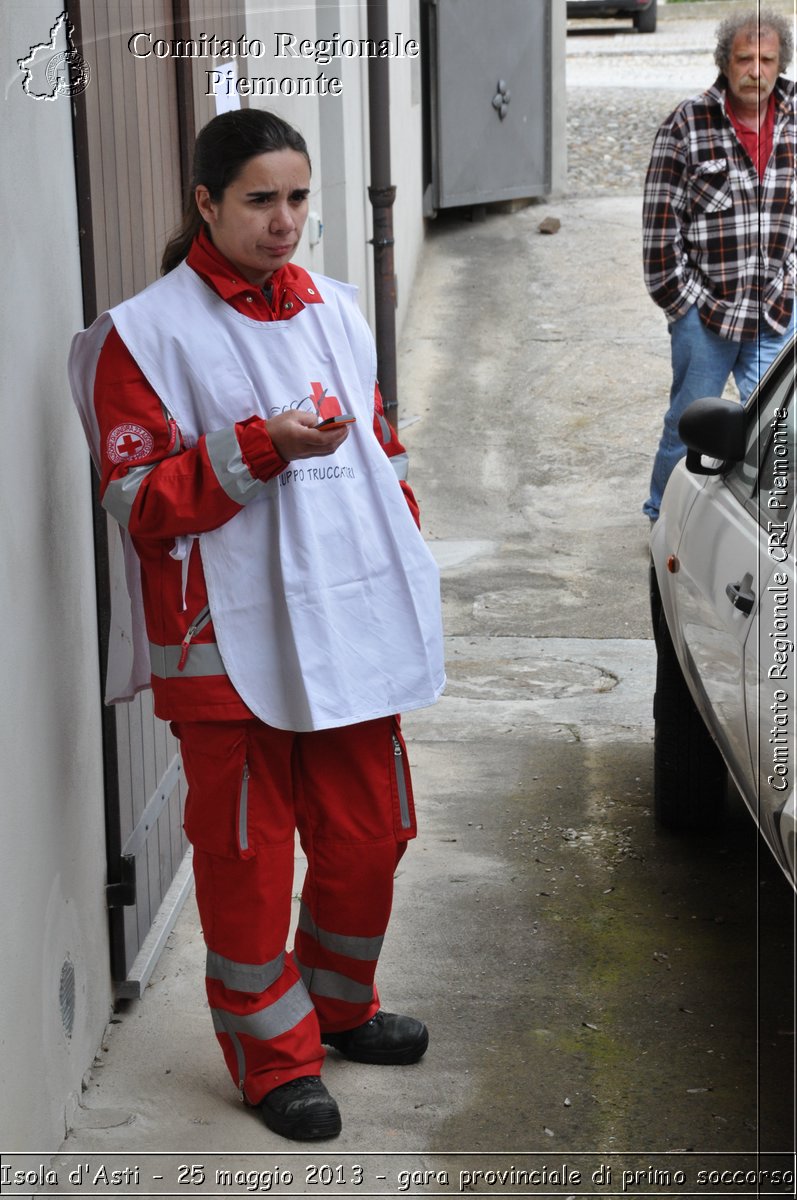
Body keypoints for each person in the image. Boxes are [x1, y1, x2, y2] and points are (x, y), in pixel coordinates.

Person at [68, 109, 445, 1142]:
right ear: (204, 201)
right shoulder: (138, 336)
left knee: (371, 834)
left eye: (296, 199)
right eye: (258, 201)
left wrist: (401, 563)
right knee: (246, 857)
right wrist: (259, 446)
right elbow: (140, 506)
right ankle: (270, 1060)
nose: (284, 223)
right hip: (223, 646)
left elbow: (380, 455)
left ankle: (338, 1007)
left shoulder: (338, 306)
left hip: (348, 629)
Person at [642, 8, 795, 523]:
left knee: (781, 426)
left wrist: (790, 285)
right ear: (725, 64)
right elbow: (660, 229)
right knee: (687, 425)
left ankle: (769, 520)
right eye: (744, 58)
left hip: (775, 310)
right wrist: (683, 307)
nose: (756, 70)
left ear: (781, 63)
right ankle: (663, 515)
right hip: (704, 316)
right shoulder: (686, 124)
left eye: (767, 59)